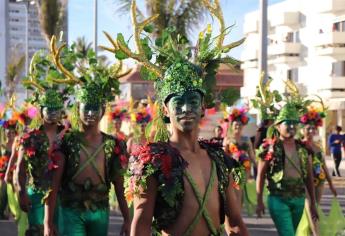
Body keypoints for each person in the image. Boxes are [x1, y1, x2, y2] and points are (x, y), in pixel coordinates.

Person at [44, 36, 130, 236]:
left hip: (100, 211)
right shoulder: (65, 142)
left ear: (102, 110)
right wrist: (48, 222)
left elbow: (119, 185)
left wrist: (127, 218)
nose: (91, 113)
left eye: (95, 108)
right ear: (78, 109)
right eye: (86, 108)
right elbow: (53, 185)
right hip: (70, 211)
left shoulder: (113, 144)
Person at [256, 103, 318, 236]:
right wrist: (259, 200)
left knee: (291, 233)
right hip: (278, 198)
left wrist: (313, 203)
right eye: (287, 123)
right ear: (278, 126)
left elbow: (308, 179)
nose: (291, 126)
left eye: (294, 123)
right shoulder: (269, 148)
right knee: (287, 233)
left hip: (298, 199)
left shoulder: (304, 149)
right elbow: (260, 175)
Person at [300, 107, 337, 235]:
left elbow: (324, 166)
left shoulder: (318, 147)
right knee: (310, 206)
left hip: (319, 181)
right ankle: (316, 234)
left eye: (313, 128)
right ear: (302, 129)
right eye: (308, 128)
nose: (311, 131)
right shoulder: (299, 145)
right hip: (304, 181)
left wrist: (331, 184)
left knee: (315, 209)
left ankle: (312, 232)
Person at [223, 107, 256, 207]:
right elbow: (224, 155)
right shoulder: (227, 139)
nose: (238, 127)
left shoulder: (246, 139)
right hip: (232, 167)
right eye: (236, 125)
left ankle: (237, 210)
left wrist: (256, 164)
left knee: (239, 188)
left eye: (240, 125)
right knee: (236, 189)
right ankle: (236, 210)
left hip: (244, 166)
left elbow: (251, 153)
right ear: (232, 126)